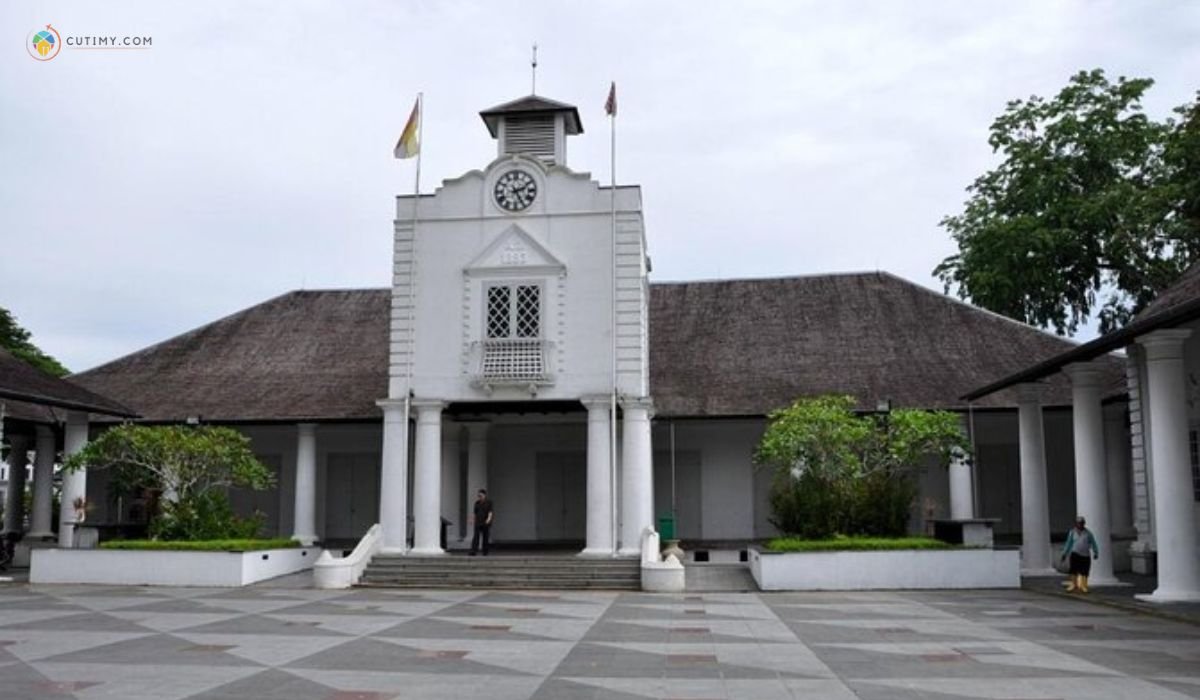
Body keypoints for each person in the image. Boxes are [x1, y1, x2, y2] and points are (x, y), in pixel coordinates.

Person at [1060, 515, 1099, 593]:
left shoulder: (1088, 533)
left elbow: (1093, 543)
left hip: (1085, 555)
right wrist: (1064, 553)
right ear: (1076, 524)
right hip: (1075, 553)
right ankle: (1073, 584)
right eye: (1078, 523)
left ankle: (1083, 585)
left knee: (1084, 570)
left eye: (1081, 523)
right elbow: (1068, 543)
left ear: (1084, 524)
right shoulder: (1072, 532)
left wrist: (1096, 552)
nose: (1080, 525)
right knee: (1073, 569)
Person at [469, 489, 494, 556]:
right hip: (478, 522)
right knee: (476, 537)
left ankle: (485, 551)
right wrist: (472, 519)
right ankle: (473, 550)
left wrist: (488, 520)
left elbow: (490, 512)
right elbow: (474, 513)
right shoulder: (477, 503)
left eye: (480, 495)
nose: (479, 497)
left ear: (484, 495)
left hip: (485, 522)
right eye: (478, 495)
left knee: (485, 537)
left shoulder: (489, 502)